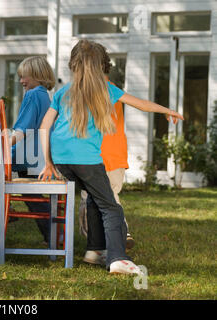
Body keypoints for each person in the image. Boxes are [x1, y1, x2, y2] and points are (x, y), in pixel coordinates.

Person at [38, 39, 183, 275]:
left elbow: (45, 125)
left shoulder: (63, 92)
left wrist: (48, 162)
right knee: (112, 208)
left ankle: (95, 250)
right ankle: (117, 258)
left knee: (96, 199)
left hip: (62, 160)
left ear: (73, 65)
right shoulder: (107, 89)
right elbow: (141, 105)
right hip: (87, 161)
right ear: (101, 66)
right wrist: (166, 110)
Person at [80, 43, 134, 267]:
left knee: (90, 202)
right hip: (115, 156)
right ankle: (117, 236)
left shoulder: (89, 92)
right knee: (110, 198)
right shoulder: (113, 90)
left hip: (95, 157)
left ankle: (99, 248)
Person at [10, 56, 56, 243]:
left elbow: (23, 129)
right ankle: (52, 234)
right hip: (40, 158)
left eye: (24, 76)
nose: (21, 81)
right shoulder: (45, 95)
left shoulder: (33, 94)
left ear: (38, 75)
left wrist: (2, 145)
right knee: (31, 195)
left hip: (28, 157)